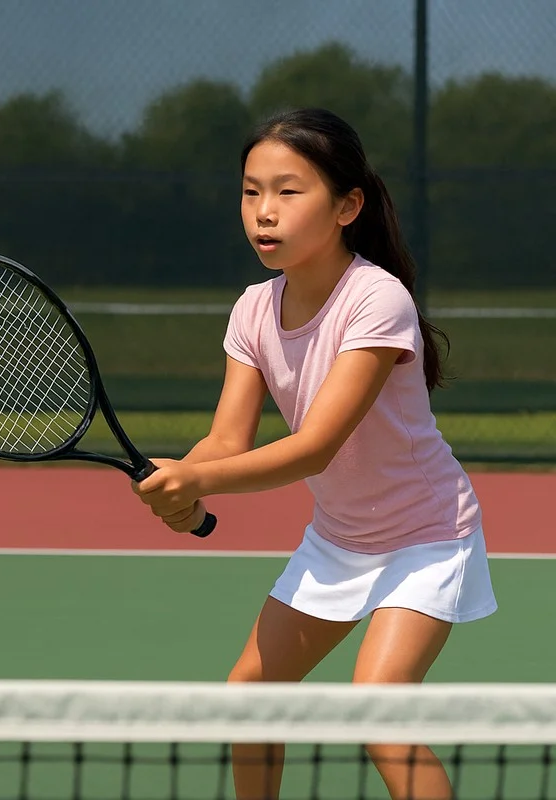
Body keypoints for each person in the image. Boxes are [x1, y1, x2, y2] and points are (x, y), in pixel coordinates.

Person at [133, 107, 496, 800]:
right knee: (251, 698)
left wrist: (197, 477)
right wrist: (184, 478)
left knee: (378, 710)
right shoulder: (251, 309)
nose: (264, 212)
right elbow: (226, 439)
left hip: (427, 538)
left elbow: (315, 447)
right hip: (339, 541)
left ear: (346, 206)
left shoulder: (376, 300)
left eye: (288, 191)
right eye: (250, 191)